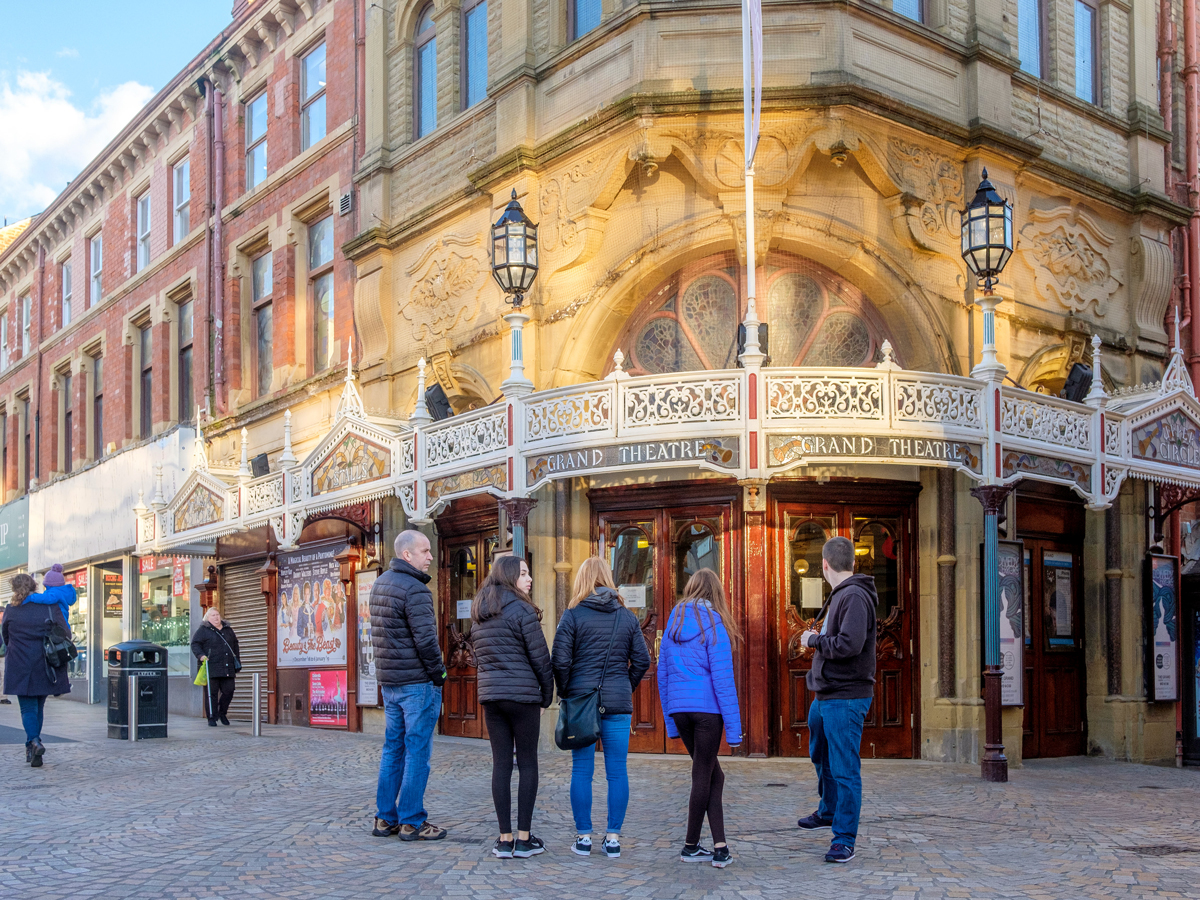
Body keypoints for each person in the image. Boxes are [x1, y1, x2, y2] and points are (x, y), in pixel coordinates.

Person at [552, 557, 650, 858]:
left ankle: (583, 837)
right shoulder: (628, 616)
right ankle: (613, 838)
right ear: (609, 578)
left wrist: (569, 691)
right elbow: (643, 661)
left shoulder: (572, 615)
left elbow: (560, 660)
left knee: (581, 770)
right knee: (617, 772)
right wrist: (623, 687)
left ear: (581, 579)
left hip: (582, 702)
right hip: (617, 703)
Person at [797, 535, 878, 864]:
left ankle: (844, 838)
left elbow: (849, 644)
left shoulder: (854, 595)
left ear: (825, 565)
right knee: (821, 754)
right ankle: (828, 811)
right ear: (853, 563)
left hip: (846, 696)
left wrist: (814, 640)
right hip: (827, 693)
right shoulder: (842, 594)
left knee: (845, 768)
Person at [657, 568, 742, 869]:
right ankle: (703, 847)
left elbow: (663, 676)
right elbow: (723, 681)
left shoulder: (673, 622)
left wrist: (670, 721)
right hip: (708, 712)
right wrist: (734, 731)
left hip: (681, 710)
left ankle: (705, 845)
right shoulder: (715, 624)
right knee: (703, 776)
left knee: (713, 776)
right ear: (715, 592)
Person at [471, 554, 554, 860]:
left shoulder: (480, 610)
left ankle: (504, 839)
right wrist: (546, 697)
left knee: (501, 765)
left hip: (492, 698)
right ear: (509, 576)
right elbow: (540, 659)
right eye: (523, 573)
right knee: (528, 762)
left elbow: (479, 658)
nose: (529, 579)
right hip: (522, 698)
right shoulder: (522, 609)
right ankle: (524, 837)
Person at [370, 529, 449, 842]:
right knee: (417, 751)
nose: (430, 557)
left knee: (393, 749)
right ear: (407, 555)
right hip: (417, 683)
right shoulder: (415, 589)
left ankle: (384, 818)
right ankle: (411, 821)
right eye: (425, 551)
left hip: (390, 682)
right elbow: (426, 641)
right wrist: (439, 675)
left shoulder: (379, 584)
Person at [3, 573, 72, 766]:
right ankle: (33, 744)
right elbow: (65, 633)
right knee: (38, 706)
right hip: (46, 663)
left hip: (20, 664)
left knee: (27, 708)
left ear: (15, 589)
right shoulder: (50, 606)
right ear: (34, 586)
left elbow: (5, 637)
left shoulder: (11, 610)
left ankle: (33, 741)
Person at [191, 606, 241, 726]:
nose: (216, 617)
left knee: (229, 690)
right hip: (211, 665)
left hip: (227, 665)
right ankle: (212, 717)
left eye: (217, 614)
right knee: (211, 693)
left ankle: (222, 713)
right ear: (208, 618)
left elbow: (235, 646)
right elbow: (195, 644)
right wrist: (201, 655)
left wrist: (237, 661)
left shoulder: (228, 630)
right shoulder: (203, 630)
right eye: (213, 615)